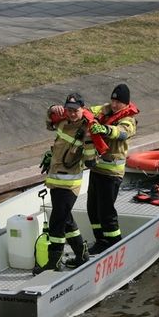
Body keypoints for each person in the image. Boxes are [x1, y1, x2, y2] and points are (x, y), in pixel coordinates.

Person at [33, 93, 95, 276]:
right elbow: (48, 123)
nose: (72, 113)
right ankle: (81, 254)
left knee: (57, 222)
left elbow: (91, 153)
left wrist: (91, 159)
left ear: (82, 109)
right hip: (55, 181)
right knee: (66, 220)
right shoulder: (62, 122)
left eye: (75, 110)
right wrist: (52, 108)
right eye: (69, 110)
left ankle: (54, 262)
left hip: (70, 183)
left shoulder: (86, 128)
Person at [87, 83, 139, 254]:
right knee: (92, 209)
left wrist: (104, 129)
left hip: (111, 174)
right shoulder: (105, 109)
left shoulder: (129, 120)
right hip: (96, 170)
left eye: (118, 102)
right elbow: (87, 111)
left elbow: (121, 133)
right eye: (113, 100)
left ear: (126, 103)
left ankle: (115, 244)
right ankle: (101, 241)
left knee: (106, 211)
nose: (115, 105)